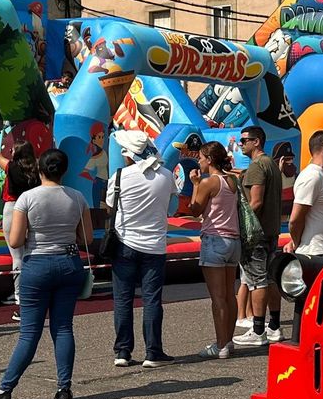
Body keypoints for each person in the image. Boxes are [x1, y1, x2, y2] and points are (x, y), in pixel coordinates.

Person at [0, 149, 92, 399]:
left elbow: (16, 240)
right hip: (69, 262)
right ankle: (64, 389)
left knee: (29, 332)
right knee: (63, 328)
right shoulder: (77, 197)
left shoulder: (27, 198)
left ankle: (5, 389)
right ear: (64, 170)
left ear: (40, 169)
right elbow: (87, 236)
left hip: (37, 264)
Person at [108, 131, 177, 368]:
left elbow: (110, 205)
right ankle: (153, 352)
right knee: (152, 300)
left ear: (128, 154)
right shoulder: (166, 176)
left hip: (124, 244)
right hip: (155, 246)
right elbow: (172, 205)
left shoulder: (119, 177)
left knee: (123, 300)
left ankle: (122, 352)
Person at [187, 140, 241, 359]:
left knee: (217, 297)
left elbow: (194, 210)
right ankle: (228, 339)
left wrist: (195, 184)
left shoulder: (210, 182)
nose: (199, 161)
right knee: (229, 294)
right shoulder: (232, 181)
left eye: (200, 157)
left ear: (209, 160)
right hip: (233, 240)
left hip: (214, 239)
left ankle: (221, 346)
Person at [233, 126, 285, 348]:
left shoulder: (257, 166)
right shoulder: (271, 164)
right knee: (271, 278)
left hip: (257, 234)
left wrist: (241, 224)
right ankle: (273, 326)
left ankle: (257, 330)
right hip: (272, 230)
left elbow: (256, 202)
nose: (242, 144)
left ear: (257, 142)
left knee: (257, 281)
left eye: (245, 140)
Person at [0, 129, 39, 321]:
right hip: (32, 207)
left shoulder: (10, 167)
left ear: (17, 153)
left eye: (13, 150)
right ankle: (33, 292)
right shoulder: (37, 170)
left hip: (13, 207)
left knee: (16, 255)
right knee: (31, 250)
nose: (11, 153)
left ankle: (19, 296)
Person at [285, 131, 323, 260]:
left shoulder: (320, 176)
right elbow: (295, 219)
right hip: (318, 253)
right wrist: (296, 242)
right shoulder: (312, 176)